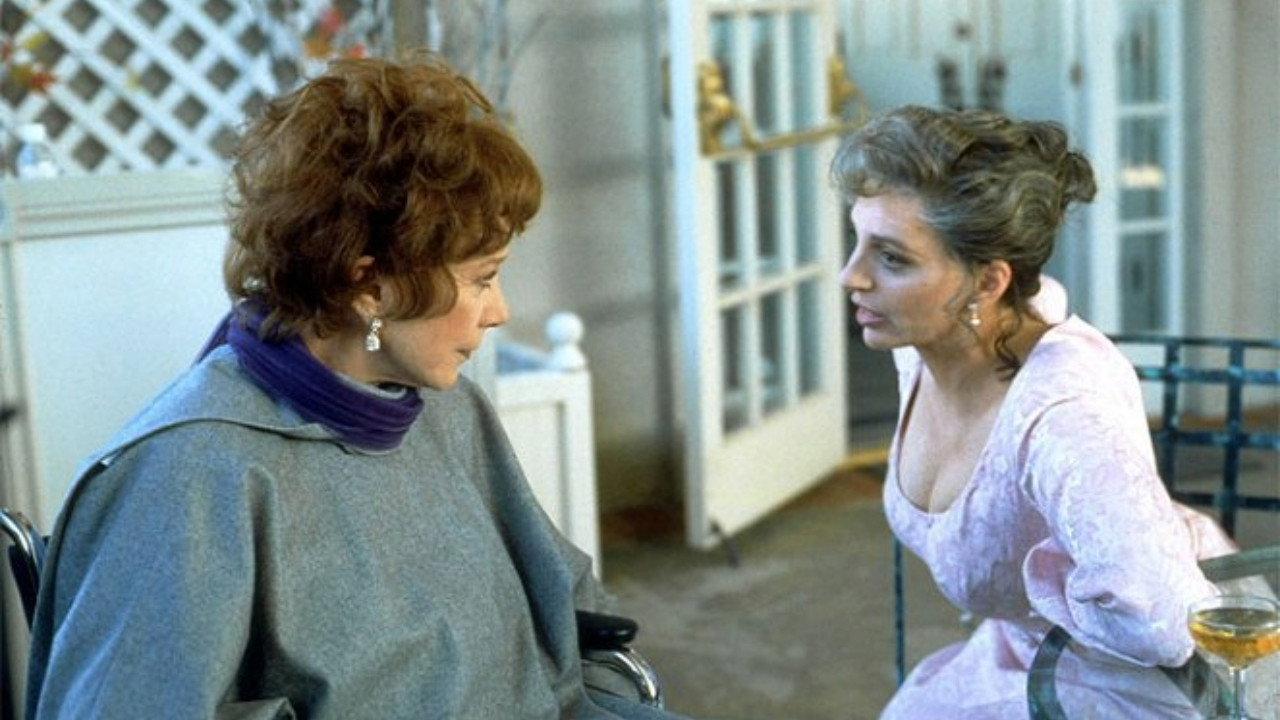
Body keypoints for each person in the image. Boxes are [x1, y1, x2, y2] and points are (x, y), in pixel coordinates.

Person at [26, 56, 683, 720]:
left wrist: (609, 690)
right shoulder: (186, 474)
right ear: (369, 286)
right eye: (482, 279)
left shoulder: (448, 408)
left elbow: (570, 604)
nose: (499, 311)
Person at [831, 105, 1241, 718]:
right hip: (1021, 648)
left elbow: (1164, 624)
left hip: (1136, 678)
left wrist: (1048, 578)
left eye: (892, 258)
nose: (852, 276)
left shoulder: (1064, 414)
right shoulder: (925, 344)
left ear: (988, 283)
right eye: (858, 241)